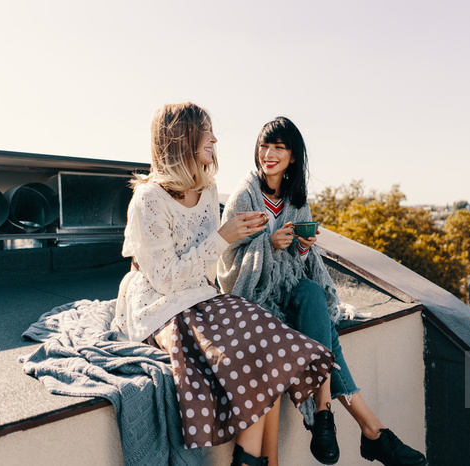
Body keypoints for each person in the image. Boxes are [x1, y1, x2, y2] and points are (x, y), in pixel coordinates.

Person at [113, 104, 335, 466]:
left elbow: (209, 272)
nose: (215, 139)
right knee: (246, 355)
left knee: (272, 341)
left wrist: (243, 241)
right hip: (160, 305)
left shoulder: (208, 187)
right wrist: (224, 237)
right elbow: (166, 278)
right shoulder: (148, 200)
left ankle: (249, 459)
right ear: (182, 139)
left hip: (201, 296)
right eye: (206, 132)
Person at [217, 116, 427, 466]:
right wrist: (268, 245)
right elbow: (227, 263)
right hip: (255, 299)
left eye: (279, 148)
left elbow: (301, 268)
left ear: (293, 156)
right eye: (264, 146)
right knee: (325, 328)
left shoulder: (297, 199)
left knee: (313, 293)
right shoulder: (245, 194)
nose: (269, 154)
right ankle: (359, 426)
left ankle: (339, 420)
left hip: (288, 294)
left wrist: (301, 247)